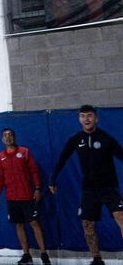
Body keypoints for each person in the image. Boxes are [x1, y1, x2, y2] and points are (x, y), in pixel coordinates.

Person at [50, 105, 123, 265]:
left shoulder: (106, 138)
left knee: (121, 217)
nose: (87, 119)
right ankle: (97, 259)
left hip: (109, 187)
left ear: (96, 118)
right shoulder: (75, 140)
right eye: (83, 116)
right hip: (89, 190)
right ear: (79, 119)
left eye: (90, 116)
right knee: (87, 224)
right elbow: (62, 159)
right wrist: (52, 180)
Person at [0, 128, 50, 265]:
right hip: (12, 198)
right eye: (5, 136)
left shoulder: (24, 152)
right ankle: (26, 255)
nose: (8, 137)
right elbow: (0, 178)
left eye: (10, 135)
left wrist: (37, 188)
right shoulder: (1, 157)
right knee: (19, 225)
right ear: (2, 140)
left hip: (27, 196)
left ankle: (44, 254)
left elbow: (34, 171)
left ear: (15, 138)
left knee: (34, 223)